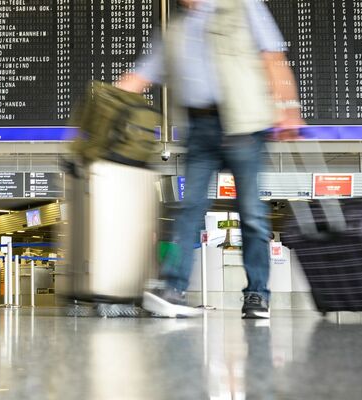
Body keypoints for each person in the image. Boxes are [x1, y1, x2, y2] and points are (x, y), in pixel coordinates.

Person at [117, 0, 304, 319]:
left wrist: (288, 109)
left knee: (251, 214)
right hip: (200, 128)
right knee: (190, 209)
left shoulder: (243, 6)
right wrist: (102, 108)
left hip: (243, 125)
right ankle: (174, 290)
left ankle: (257, 294)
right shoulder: (174, 30)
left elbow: (272, 56)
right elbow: (139, 76)